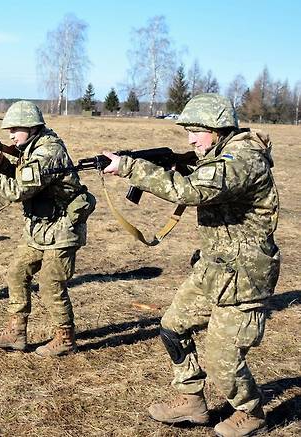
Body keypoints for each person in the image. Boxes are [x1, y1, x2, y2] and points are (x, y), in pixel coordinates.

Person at [102, 93, 280, 437]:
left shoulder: (243, 158)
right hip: (213, 269)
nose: (190, 139)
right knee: (172, 327)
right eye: (188, 132)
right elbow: (200, 178)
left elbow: (191, 192)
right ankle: (192, 400)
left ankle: (251, 410)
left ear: (217, 128)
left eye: (196, 132)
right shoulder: (216, 156)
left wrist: (129, 167)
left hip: (244, 274)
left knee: (221, 357)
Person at [0, 100, 95, 357]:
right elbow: (25, 178)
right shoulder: (30, 147)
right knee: (16, 272)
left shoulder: (48, 152)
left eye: (16, 129)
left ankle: (65, 338)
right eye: (9, 130)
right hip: (38, 227)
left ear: (33, 127)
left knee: (50, 283)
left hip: (62, 228)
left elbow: (18, 190)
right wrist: (1, 165)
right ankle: (17, 333)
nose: (11, 135)